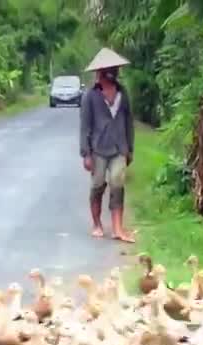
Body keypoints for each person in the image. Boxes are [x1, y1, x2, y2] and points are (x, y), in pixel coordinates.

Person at [79, 48, 136, 243]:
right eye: (110, 69)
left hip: (119, 147)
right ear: (100, 72)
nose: (114, 72)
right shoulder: (90, 96)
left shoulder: (123, 93)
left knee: (117, 182)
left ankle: (118, 228)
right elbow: (85, 126)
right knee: (97, 185)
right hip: (98, 149)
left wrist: (130, 148)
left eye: (115, 69)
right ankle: (97, 223)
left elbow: (129, 121)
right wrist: (86, 153)